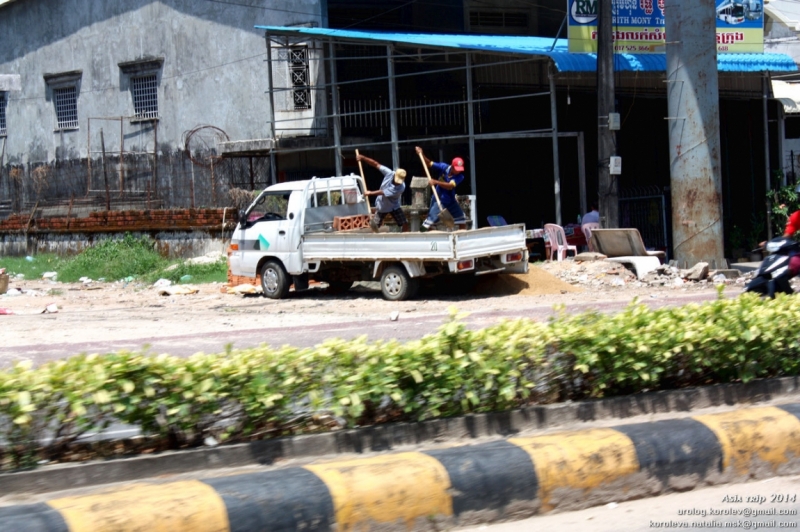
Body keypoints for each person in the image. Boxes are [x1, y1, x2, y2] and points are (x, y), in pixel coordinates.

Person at [415, 146, 468, 231]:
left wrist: (436, 182)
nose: (458, 171)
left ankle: (462, 239)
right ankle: (421, 234)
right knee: (430, 221)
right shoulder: (444, 167)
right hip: (439, 199)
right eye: (457, 169)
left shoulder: (460, 177)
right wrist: (421, 154)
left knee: (462, 219)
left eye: (460, 169)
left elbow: (450, 185)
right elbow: (429, 164)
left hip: (451, 200)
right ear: (452, 166)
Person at [355, 153, 410, 232]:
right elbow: (376, 164)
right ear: (394, 175)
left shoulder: (401, 187)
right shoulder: (389, 173)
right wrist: (363, 158)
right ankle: (375, 240)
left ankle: (406, 239)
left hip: (394, 206)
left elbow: (383, 192)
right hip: (382, 205)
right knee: (375, 227)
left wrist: (370, 193)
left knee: (404, 223)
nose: (398, 183)